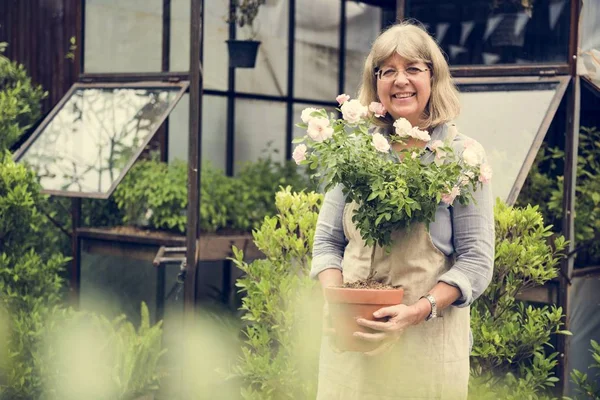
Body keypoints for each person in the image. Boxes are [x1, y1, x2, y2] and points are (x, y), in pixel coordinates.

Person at [310, 21, 495, 400]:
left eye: (413, 69)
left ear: (433, 78)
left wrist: (417, 311)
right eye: (388, 71)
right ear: (375, 82)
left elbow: (476, 262)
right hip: (352, 347)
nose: (400, 81)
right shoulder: (356, 153)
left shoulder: (462, 158)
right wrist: (335, 302)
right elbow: (327, 241)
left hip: (424, 350)